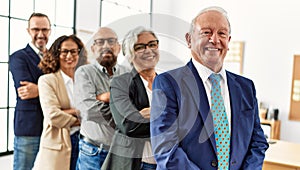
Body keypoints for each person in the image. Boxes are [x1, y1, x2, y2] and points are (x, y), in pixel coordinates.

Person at [150, 6, 269, 170]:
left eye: (222, 33)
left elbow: (258, 142)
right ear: (189, 39)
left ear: (228, 40)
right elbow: (165, 149)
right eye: (206, 32)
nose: (215, 39)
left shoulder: (246, 87)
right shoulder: (167, 84)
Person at [102, 26, 159, 170]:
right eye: (140, 47)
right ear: (129, 54)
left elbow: (185, 122)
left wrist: (150, 113)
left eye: (152, 44)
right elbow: (129, 125)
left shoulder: (168, 82)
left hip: (165, 163)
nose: (148, 50)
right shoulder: (121, 83)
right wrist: (166, 116)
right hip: (136, 164)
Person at [74, 27, 130, 169]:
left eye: (111, 41)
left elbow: (136, 106)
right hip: (94, 152)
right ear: (93, 48)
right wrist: (124, 119)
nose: (106, 46)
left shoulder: (128, 74)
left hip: (122, 152)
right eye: (100, 42)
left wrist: (104, 98)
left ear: (118, 47)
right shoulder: (83, 73)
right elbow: (88, 110)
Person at [32, 35, 88, 170]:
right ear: (56, 54)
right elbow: (53, 116)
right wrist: (84, 117)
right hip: (59, 143)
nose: (69, 56)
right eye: (64, 51)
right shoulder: (47, 80)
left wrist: (69, 113)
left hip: (86, 142)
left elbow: (99, 109)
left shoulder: (87, 80)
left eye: (74, 51)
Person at [9, 12, 51, 170]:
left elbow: (66, 86)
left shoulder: (56, 57)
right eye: (36, 29)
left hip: (52, 126)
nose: (40, 34)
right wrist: (54, 90)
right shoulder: (18, 57)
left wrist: (40, 89)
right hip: (29, 127)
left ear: (50, 31)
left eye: (45, 30)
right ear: (28, 31)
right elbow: (26, 91)